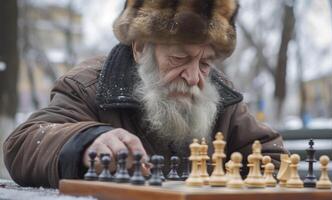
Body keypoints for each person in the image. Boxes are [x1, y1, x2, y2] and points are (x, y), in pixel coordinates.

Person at [3, 0, 288, 188]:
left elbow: (272, 158)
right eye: (179, 58)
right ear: (140, 48)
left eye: (204, 63)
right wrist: (87, 140)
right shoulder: (89, 84)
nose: (193, 78)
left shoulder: (219, 94)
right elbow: (23, 143)